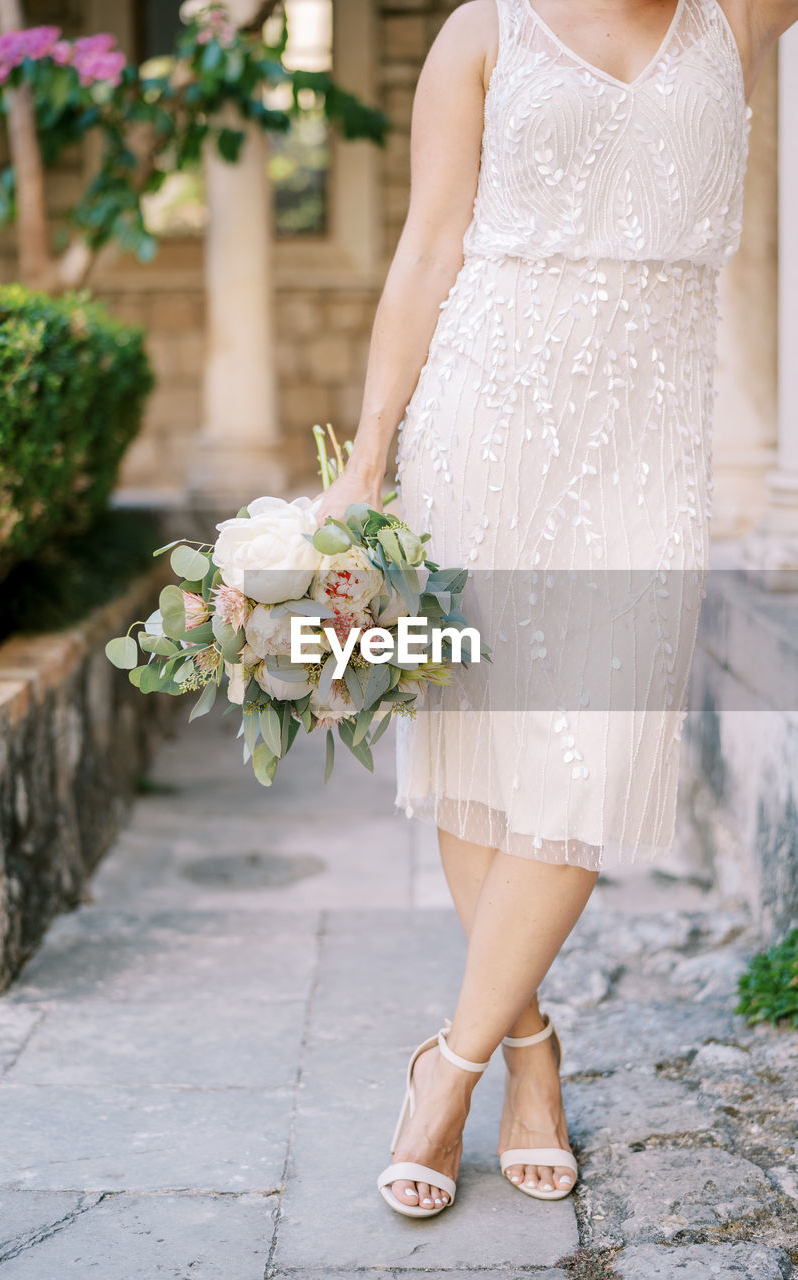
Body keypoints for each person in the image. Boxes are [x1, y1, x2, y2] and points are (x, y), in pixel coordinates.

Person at [313, 0, 797, 1219]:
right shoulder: (485, 30)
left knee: (591, 749)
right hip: (487, 417)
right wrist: (367, 463)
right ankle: (528, 1051)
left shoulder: (736, 16)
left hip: (647, 436)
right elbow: (428, 249)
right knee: (483, 746)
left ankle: (448, 1066)